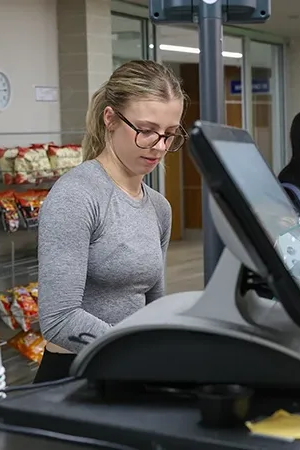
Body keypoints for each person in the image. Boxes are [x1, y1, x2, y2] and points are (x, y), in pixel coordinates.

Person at [35, 61, 184, 382]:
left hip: (129, 371)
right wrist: (134, 351)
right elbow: (59, 318)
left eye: (170, 135)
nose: (159, 147)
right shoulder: (77, 196)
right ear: (111, 118)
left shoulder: (159, 207)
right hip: (74, 376)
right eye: (146, 131)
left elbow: (152, 306)